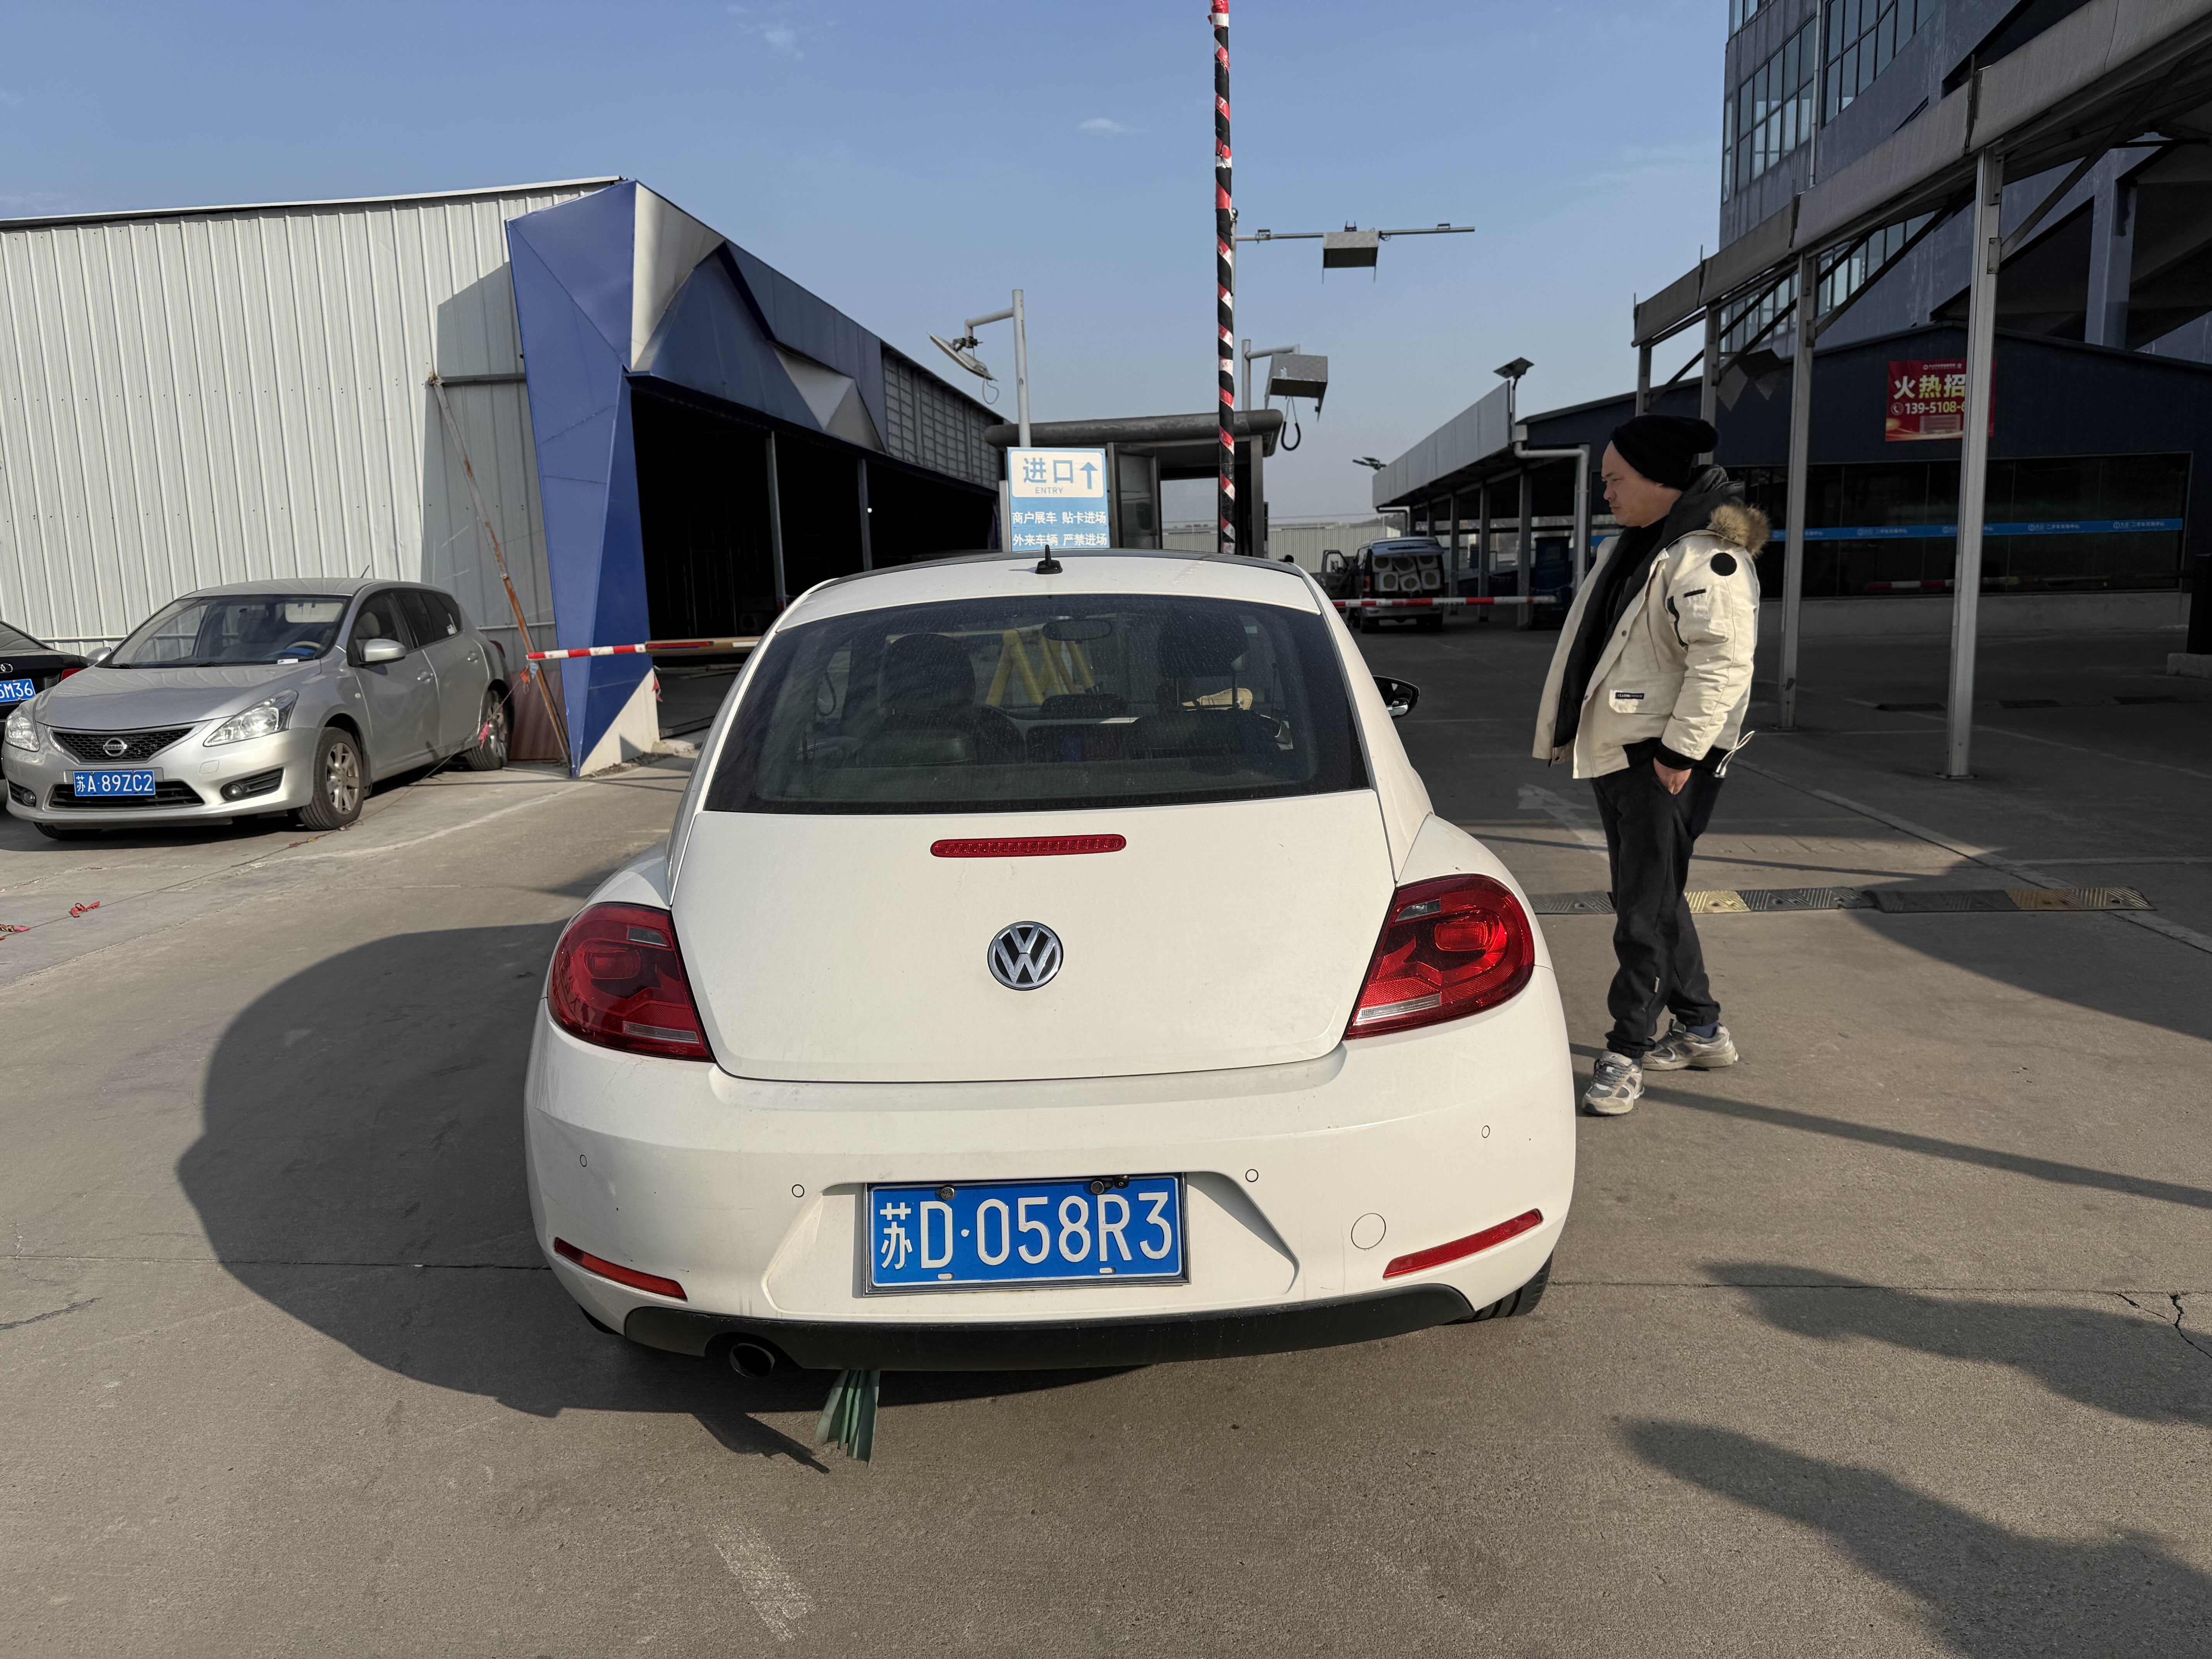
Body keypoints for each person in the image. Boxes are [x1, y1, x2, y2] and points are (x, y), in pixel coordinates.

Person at [1530, 415, 1766, 1115]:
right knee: (1655, 897)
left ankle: (1625, 1052)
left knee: (1642, 910)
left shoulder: (1708, 560)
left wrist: (1678, 754)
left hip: (1662, 762)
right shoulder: (1641, 545)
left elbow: (1723, 664)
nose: (1605, 492)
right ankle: (1700, 1028)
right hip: (1623, 753)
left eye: (1615, 479)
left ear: (1660, 479)